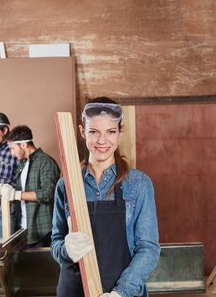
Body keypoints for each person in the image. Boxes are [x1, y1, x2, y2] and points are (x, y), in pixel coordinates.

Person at [50, 97, 160, 297]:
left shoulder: (138, 184)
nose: (102, 141)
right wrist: (67, 250)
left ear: (120, 132)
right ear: (83, 132)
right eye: (94, 132)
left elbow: (148, 249)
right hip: (74, 290)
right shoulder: (66, 185)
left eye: (110, 131)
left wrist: (121, 292)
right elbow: (56, 241)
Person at [0, 125, 61, 248]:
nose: (12, 153)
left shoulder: (46, 162)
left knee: (40, 267)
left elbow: (48, 193)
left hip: (42, 232)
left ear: (24, 145)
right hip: (24, 231)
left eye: (12, 149)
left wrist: (16, 194)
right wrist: (8, 195)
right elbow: (23, 199)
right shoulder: (22, 166)